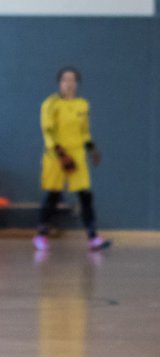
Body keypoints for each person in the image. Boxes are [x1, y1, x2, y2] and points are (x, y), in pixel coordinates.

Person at [34, 67, 110, 252]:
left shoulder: (82, 105)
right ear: (59, 83)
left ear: (77, 83)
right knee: (53, 195)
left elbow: (84, 132)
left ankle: (93, 237)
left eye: (73, 79)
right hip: (56, 156)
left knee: (85, 195)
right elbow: (48, 130)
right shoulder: (50, 104)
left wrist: (92, 149)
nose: (69, 83)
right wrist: (61, 154)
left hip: (77, 156)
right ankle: (41, 233)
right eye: (65, 80)